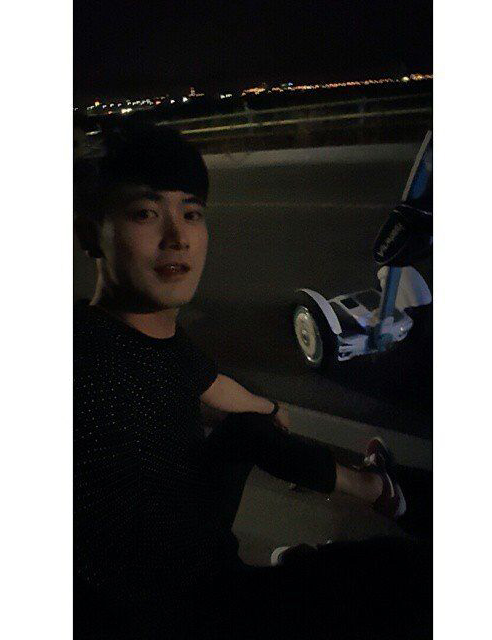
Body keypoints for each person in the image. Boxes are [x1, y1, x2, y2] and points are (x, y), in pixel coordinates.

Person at [74, 123, 429, 639]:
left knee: (248, 427)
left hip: (199, 544)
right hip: (184, 608)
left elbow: (214, 386)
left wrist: (271, 415)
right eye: (145, 213)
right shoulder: (83, 357)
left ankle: (376, 491)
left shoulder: (156, 342)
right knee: (411, 579)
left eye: (191, 213)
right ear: (90, 234)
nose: (178, 237)